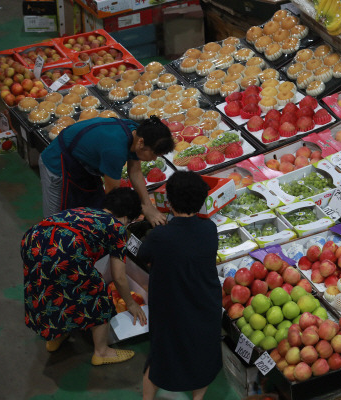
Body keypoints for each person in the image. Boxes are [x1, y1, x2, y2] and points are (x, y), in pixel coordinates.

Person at [21, 187, 148, 365]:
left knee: (52, 290)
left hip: (33, 241)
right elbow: (119, 277)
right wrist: (131, 303)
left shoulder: (85, 211)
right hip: (63, 253)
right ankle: (101, 352)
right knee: (98, 293)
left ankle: (56, 336)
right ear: (128, 216)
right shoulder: (116, 227)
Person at [138, 171, 221, 400]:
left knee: (160, 356)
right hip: (204, 303)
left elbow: (144, 255)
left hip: (171, 307)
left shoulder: (160, 236)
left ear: (169, 201)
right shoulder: (209, 230)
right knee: (203, 354)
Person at [39, 116, 174, 226]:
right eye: (154, 154)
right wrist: (136, 212)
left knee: (86, 211)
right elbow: (113, 198)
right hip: (57, 165)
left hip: (82, 167)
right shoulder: (115, 151)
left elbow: (135, 171)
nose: (154, 158)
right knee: (55, 220)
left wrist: (148, 206)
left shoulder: (134, 131)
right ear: (141, 143)